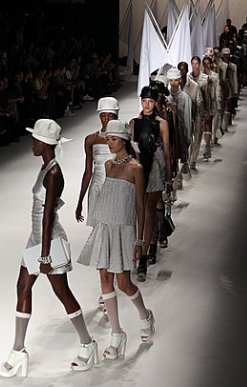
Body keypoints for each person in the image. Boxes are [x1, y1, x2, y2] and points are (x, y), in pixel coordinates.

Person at [0, 119, 97, 377]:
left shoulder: (53, 173)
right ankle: (18, 350)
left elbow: (47, 216)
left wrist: (44, 256)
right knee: (23, 286)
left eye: (35, 141)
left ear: (45, 144)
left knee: (62, 293)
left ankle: (87, 344)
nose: (32, 144)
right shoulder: (46, 168)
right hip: (37, 238)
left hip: (49, 241)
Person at [78, 120, 156, 360]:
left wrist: (140, 242)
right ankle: (116, 335)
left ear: (124, 140)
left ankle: (145, 316)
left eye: (113, 139)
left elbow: (140, 207)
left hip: (124, 230)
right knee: (104, 278)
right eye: (108, 139)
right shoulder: (108, 165)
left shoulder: (136, 168)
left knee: (124, 283)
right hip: (105, 227)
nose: (109, 143)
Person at [130, 85, 172, 281]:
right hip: (139, 165)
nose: (146, 105)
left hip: (155, 165)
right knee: (140, 209)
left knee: (148, 209)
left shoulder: (162, 124)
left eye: (150, 101)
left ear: (156, 102)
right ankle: (149, 243)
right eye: (144, 101)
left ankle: (143, 256)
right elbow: (131, 149)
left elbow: (167, 153)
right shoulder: (134, 123)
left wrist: (169, 178)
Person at [75, 97, 118, 226]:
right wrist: (80, 201)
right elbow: (88, 172)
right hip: (97, 187)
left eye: (110, 115)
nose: (106, 119)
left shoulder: (124, 139)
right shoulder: (91, 139)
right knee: (98, 228)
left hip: (117, 188)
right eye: (103, 115)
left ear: (116, 116)